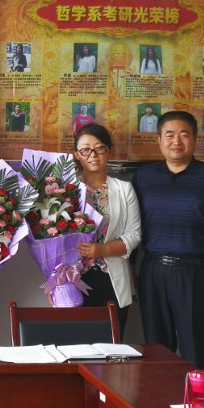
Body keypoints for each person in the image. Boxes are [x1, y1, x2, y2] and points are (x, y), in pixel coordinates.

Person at [132, 110, 204, 369]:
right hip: (153, 271)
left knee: (195, 351)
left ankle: (197, 397)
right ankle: (160, 398)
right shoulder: (144, 177)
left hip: (196, 273)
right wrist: (131, 268)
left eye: (184, 135)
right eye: (169, 135)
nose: (176, 141)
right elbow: (132, 226)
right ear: (159, 140)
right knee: (156, 350)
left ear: (195, 139)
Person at [73, 123, 142, 340]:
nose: (93, 155)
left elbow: (134, 235)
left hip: (111, 278)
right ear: (77, 154)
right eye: (86, 150)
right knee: (75, 345)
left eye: (99, 148)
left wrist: (101, 250)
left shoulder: (124, 189)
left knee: (111, 346)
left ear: (109, 151)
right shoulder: (65, 189)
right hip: (73, 278)